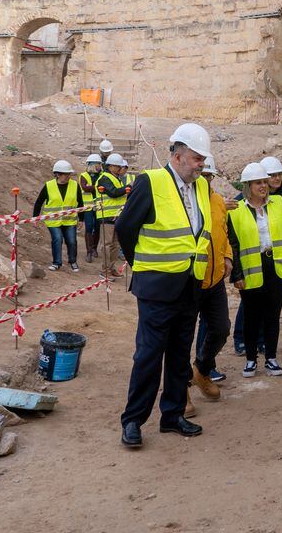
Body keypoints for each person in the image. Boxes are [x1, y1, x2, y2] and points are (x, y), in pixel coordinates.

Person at [115, 123, 214, 448]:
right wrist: (141, 264)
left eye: (202, 159)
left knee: (178, 355)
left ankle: (172, 415)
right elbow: (126, 228)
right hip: (156, 287)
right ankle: (133, 421)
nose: (201, 165)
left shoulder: (200, 188)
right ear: (177, 155)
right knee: (148, 356)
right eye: (197, 158)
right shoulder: (151, 181)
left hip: (189, 285)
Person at [228, 162, 282, 378]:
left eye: (265, 182)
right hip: (251, 268)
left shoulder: (278, 203)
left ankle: (271, 359)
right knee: (251, 316)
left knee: (272, 315)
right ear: (248, 185)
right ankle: (250, 360)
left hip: (275, 265)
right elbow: (234, 244)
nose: (264, 186)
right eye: (258, 182)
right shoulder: (236, 210)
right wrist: (236, 275)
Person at [189, 155, 233, 402]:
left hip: (214, 279)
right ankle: (180, 389)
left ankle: (201, 370)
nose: (205, 179)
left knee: (220, 328)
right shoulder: (185, 200)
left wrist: (227, 257)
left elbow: (223, 233)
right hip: (189, 280)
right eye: (203, 175)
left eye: (209, 176)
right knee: (181, 337)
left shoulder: (218, 201)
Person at [32, 160, 84, 273]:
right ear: (58, 174)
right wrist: (35, 217)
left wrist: (82, 219)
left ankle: (73, 261)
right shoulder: (49, 186)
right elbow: (39, 202)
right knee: (57, 239)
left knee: (71, 241)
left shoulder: (75, 185)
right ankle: (56, 263)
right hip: (53, 221)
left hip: (69, 221)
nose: (68, 176)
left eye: (69, 174)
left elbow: (80, 203)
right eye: (65, 174)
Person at [95, 153, 130, 281]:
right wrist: (127, 188)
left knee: (115, 244)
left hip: (117, 216)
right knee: (107, 244)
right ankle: (104, 271)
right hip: (107, 216)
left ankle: (111, 268)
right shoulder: (104, 178)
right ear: (110, 166)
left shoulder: (117, 178)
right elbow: (113, 193)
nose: (120, 168)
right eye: (117, 166)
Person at [77, 154, 103, 264]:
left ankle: (94, 249)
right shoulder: (84, 176)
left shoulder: (102, 175)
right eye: (98, 164)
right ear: (92, 164)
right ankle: (88, 252)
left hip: (98, 206)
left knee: (97, 228)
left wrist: (91, 187)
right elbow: (84, 187)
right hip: (87, 207)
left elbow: (93, 188)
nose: (100, 166)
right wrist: (97, 188)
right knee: (89, 228)